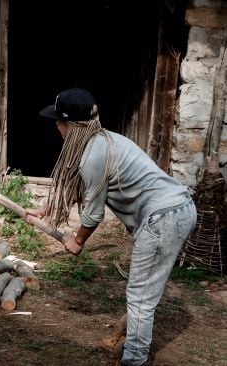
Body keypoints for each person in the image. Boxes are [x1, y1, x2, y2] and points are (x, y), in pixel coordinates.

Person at [25, 87, 197, 366]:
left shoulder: (93, 156)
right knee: (146, 288)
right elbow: (82, 190)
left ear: (70, 125)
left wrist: (78, 241)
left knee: (140, 295)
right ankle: (128, 337)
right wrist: (46, 209)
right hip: (177, 211)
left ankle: (134, 360)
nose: (56, 126)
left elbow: (93, 215)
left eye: (58, 121)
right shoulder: (104, 141)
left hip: (164, 218)